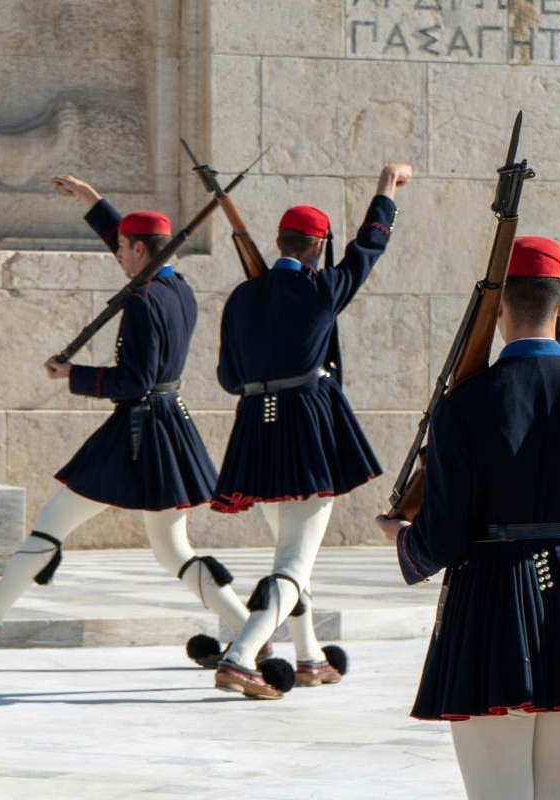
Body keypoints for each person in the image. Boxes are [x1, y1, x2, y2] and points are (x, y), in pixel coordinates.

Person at [0, 175, 245, 652]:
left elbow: (134, 381)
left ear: (136, 250)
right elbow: (133, 243)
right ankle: (251, 630)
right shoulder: (178, 289)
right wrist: (93, 201)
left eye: (123, 251)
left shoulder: (142, 301)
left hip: (136, 433)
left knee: (52, 523)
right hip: (170, 427)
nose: (117, 257)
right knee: (174, 551)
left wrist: (72, 375)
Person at [377, 236, 560, 800]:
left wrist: (406, 540)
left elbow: (446, 535)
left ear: (497, 308)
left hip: (491, 598)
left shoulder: (465, 404)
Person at [203, 162, 415, 699]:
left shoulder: (241, 298)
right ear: (318, 247)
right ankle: (241, 654)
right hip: (306, 430)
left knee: (291, 553)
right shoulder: (322, 291)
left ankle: (310, 657)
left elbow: (229, 377)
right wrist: (385, 187)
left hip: (255, 428)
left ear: (279, 241)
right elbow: (369, 248)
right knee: (294, 560)